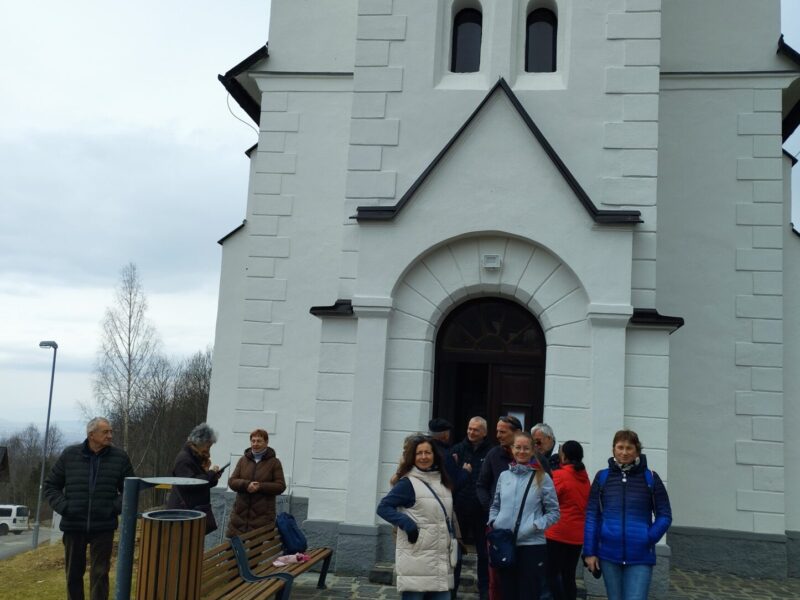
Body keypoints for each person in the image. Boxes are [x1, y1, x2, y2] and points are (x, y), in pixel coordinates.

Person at [44, 417, 135, 600]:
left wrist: (112, 508)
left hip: (103, 526)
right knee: (73, 574)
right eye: (106, 432)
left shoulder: (120, 458)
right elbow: (51, 486)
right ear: (91, 435)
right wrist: (65, 507)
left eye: (111, 432)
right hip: (73, 525)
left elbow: (129, 489)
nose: (110, 435)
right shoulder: (70, 455)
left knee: (100, 574)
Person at [583, 430, 672, 600]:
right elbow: (592, 516)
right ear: (613, 449)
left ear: (637, 451)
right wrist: (589, 551)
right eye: (620, 447)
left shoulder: (650, 478)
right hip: (609, 554)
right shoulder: (603, 477)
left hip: (640, 556)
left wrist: (648, 537)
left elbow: (665, 515)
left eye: (629, 448)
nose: (624, 452)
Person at [377, 434, 456, 600]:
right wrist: (406, 523)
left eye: (428, 452)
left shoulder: (442, 481)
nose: (423, 457)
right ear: (412, 457)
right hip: (417, 560)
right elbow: (383, 507)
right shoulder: (408, 483)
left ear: (434, 455)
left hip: (440, 562)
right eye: (419, 453)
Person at [488, 431, 560, 600]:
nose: (522, 451)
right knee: (507, 593)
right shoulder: (504, 476)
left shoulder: (543, 477)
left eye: (526, 448)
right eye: (518, 447)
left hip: (532, 545)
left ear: (533, 450)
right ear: (512, 449)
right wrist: (494, 522)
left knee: (529, 594)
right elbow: (495, 504)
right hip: (506, 543)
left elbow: (554, 512)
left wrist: (534, 525)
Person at [476, 415, 522, 600]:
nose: (498, 435)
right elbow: (481, 485)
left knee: (523, 575)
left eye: (503, 431)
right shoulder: (493, 455)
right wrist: (492, 512)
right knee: (496, 575)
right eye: (497, 431)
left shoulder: (532, 457)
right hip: (498, 526)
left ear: (517, 433)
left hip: (526, 527)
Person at [450, 416, 492, 600]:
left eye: (476, 430)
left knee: (484, 554)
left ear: (484, 432)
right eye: (469, 428)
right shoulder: (457, 450)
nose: (471, 432)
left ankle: (485, 592)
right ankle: (452, 590)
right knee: (456, 552)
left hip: (481, 511)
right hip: (459, 509)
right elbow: (450, 477)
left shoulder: (491, 452)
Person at [545, 441, 590, 600]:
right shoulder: (584, 477)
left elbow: (547, 499)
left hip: (557, 533)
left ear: (564, 456)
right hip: (576, 536)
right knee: (569, 575)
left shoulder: (560, 475)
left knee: (550, 574)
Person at [226, 428, 286, 537]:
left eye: (259, 441)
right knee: (234, 547)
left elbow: (280, 486)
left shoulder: (274, 463)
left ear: (266, 442)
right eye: (253, 441)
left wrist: (260, 486)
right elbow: (232, 481)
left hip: (262, 518)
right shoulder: (243, 460)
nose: (255, 444)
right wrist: (246, 485)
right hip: (239, 518)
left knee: (257, 547)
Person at [166, 423, 222, 534]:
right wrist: (210, 473)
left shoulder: (195, 458)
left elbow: (202, 483)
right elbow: (190, 484)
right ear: (199, 442)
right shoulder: (184, 459)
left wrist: (214, 478)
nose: (208, 452)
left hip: (190, 513)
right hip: (183, 514)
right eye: (208, 446)